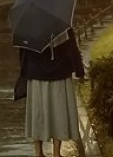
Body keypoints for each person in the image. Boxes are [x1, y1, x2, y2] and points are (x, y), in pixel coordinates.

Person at [18, 27, 85, 157]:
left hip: (36, 72)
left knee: (38, 112)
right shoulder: (61, 23)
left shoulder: (28, 25)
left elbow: (23, 51)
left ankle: (38, 151)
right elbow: (71, 47)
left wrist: (24, 71)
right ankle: (56, 152)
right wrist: (79, 70)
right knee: (58, 112)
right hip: (59, 72)